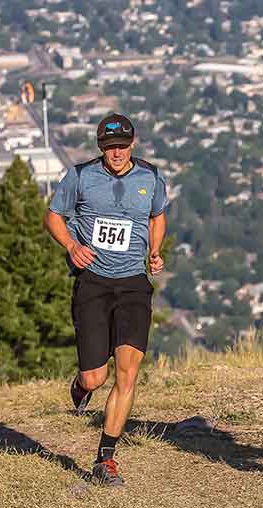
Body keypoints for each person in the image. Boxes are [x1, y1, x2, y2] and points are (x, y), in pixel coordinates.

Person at [44, 113, 168, 486]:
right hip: (93, 283)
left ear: (133, 143)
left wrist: (155, 251)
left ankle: (105, 458)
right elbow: (53, 216)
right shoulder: (80, 177)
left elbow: (157, 216)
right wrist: (71, 245)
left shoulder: (150, 177)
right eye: (109, 147)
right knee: (96, 377)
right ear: (100, 147)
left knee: (128, 373)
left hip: (133, 283)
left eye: (122, 145)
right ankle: (82, 387)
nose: (116, 153)